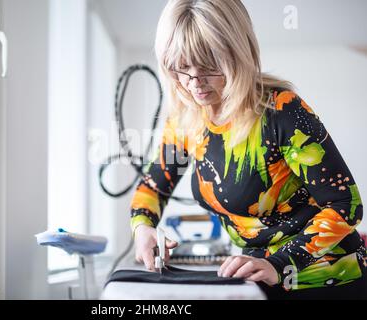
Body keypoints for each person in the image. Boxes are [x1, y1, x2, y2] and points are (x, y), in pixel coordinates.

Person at [129, 0, 367, 299]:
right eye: (181, 67)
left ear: (238, 52)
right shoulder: (186, 119)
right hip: (260, 275)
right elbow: (153, 187)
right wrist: (142, 228)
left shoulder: (281, 111)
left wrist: (279, 262)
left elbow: (345, 205)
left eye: (209, 66)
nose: (194, 82)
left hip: (327, 278)